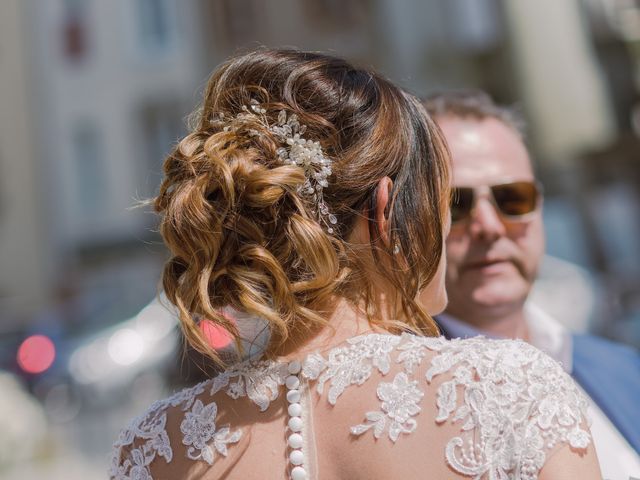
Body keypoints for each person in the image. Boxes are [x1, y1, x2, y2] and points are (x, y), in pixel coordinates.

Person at [109, 50, 600, 480]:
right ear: (384, 211)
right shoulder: (509, 391)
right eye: (447, 203)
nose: (451, 229)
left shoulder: (153, 449)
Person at [424, 90, 640, 478]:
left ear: (539, 206)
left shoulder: (622, 368)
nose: (489, 226)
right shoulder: (399, 404)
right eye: (455, 203)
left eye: (512, 198)